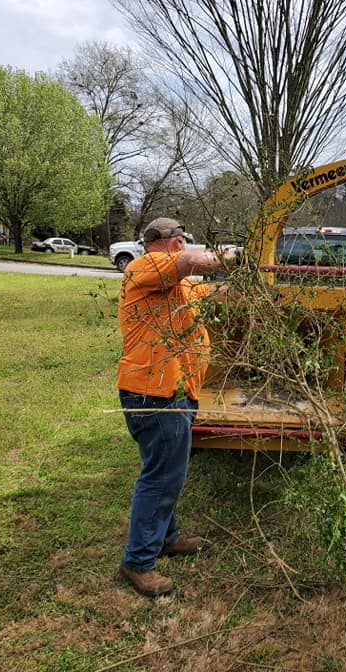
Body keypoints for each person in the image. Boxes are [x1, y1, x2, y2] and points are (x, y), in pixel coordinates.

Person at [116, 217, 230, 597]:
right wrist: (235, 255)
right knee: (161, 477)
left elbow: (212, 294)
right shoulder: (143, 266)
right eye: (181, 241)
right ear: (169, 242)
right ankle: (139, 561)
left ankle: (167, 538)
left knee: (169, 472)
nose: (184, 247)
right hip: (155, 394)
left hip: (176, 391)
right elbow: (190, 264)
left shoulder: (175, 286)